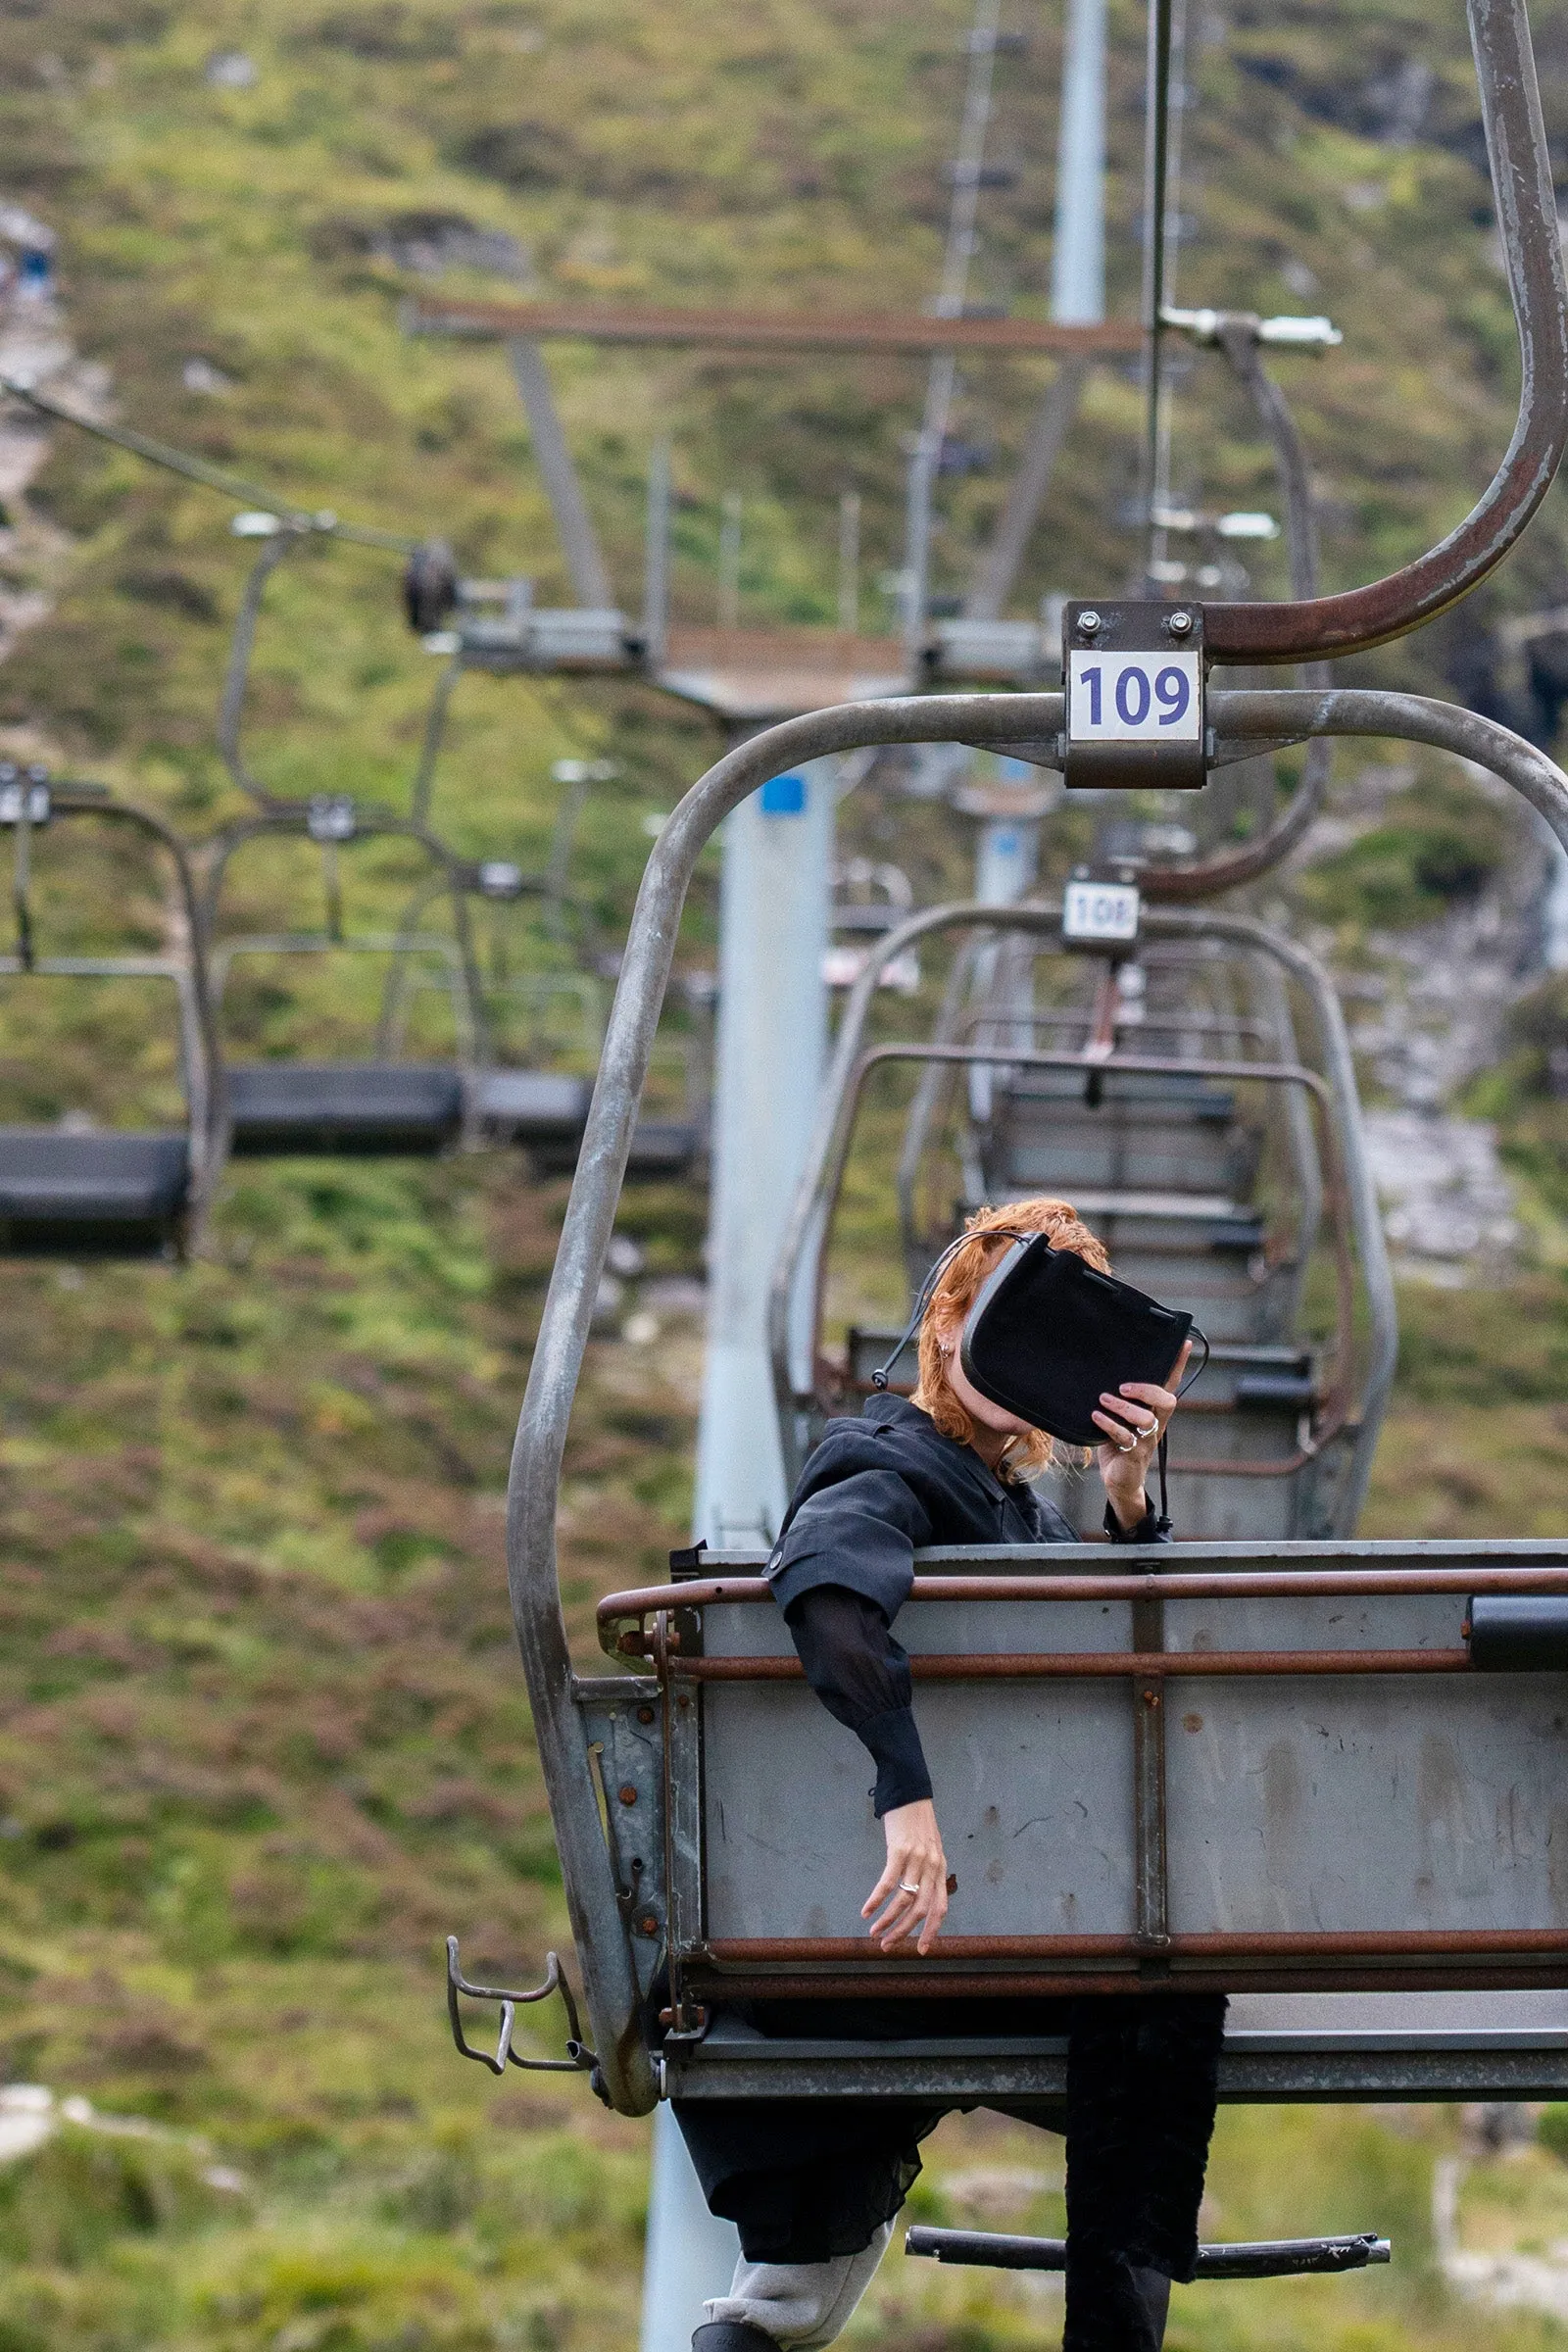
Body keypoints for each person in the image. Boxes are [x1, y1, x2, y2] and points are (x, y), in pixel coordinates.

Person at [676, 1197, 1226, 2352]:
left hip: (933, 1930)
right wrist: (906, 1800)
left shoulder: (1008, 1511)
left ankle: (768, 2319)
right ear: (945, 1331)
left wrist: (1127, 1499)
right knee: (1164, 1994)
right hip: (894, 1927)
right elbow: (828, 1592)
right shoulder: (885, 1464)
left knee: (796, 2301)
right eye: (999, 1322)